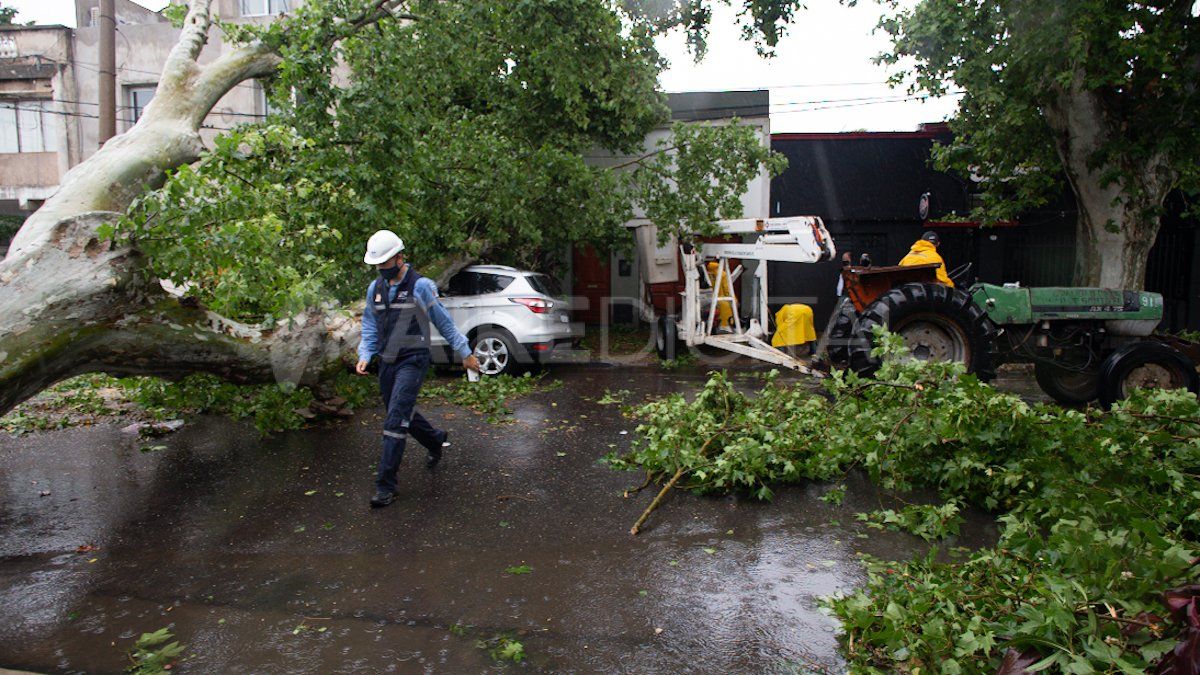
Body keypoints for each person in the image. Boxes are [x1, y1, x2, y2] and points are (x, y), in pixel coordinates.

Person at [355, 230, 481, 508]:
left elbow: (443, 321)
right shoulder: (374, 289)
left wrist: (465, 352)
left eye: (385, 263)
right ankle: (435, 440)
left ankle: (385, 486)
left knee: (394, 420)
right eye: (378, 265)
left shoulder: (421, 286)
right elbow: (369, 324)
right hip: (387, 361)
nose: (381, 269)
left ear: (400, 257)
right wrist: (365, 352)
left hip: (413, 359)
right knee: (400, 413)